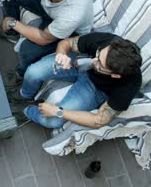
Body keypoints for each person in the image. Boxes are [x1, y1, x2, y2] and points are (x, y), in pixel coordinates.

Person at [8, 32, 142, 129]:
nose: (93, 59)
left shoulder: (129, 86)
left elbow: (98, 121)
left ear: (115, 75)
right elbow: (66, 43)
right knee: (33, 72)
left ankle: (27, 112)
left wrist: (58, 111)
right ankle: (24, 95)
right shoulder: (108, 42)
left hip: (95, 89)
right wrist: (62, 55)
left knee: (53, 122)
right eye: (98, 53)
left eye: (99, 63)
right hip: (78, 61)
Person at [0, 0, 94, 83]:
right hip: (47, 5)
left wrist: (12, 22)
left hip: (68, 30)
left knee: (27, 50)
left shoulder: (72, 15)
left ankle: (20, 74)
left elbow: (43, 38)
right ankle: (11, 33)